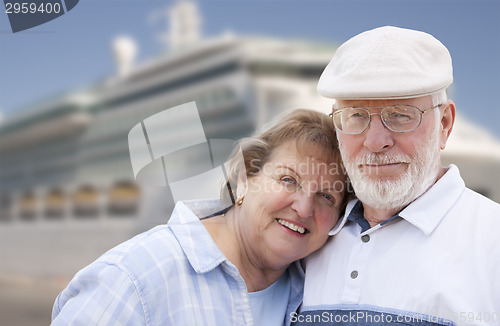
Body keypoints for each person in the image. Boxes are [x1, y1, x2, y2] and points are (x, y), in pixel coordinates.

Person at [51, 108, 349, 325]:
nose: (304, 207)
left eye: (327, 197)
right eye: (288, 180)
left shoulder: (315, 292)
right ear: (245, 178)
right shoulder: (135, 278)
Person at [294, 26, 500, 325]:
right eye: (355, 116)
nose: (376, 141)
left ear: (444, 123)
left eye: (400, 114)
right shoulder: (308, 235)